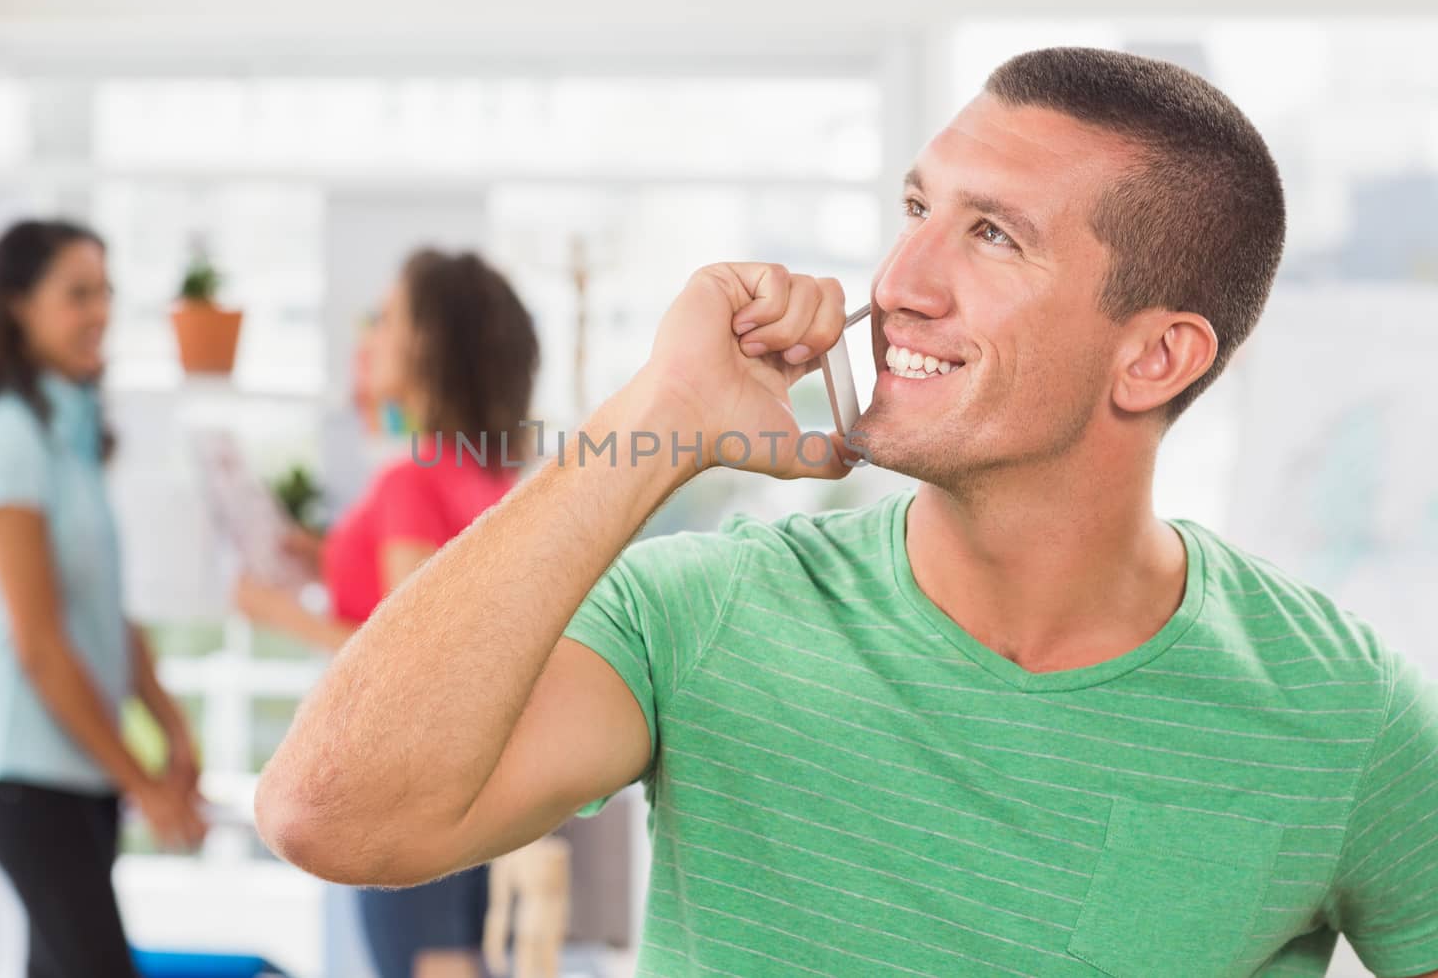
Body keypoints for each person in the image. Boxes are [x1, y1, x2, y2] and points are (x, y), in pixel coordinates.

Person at [253, 48, 1438, 976]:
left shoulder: (1343, 711)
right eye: (916, 207)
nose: (898, 282)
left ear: (1155, 357)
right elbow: (330, 816)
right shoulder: (706, 611)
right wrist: (657, 414)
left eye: (990, 233)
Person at [235, 248, 540, 978]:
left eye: (387, 319)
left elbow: (414, 661)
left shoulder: (413, 478)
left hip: (407, 789)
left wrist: (279, 612)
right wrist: (325, 560)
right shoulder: (488, 477)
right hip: (482, 788)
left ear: (430, 344)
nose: (368, 337)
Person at [0, 220, 208, 978]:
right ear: (16, 307)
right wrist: (142, 780)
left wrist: (171, 722)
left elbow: (104, 610)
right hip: (20, 765)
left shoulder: (68, 442)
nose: (101, 312)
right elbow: (41, 645)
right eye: (78, 294)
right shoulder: (4, 440)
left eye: (107, 292)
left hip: (75, 768)